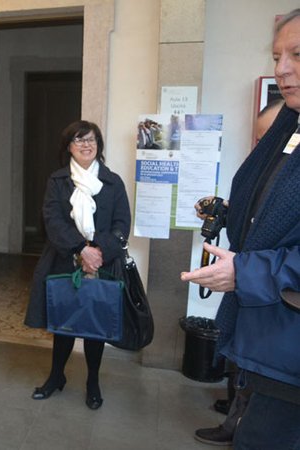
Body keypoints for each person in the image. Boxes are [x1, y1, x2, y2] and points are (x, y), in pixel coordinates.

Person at [181, 9, 300, 448]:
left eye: (297, 55)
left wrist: (245, 271)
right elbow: (277, 217)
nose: (281, 69)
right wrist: (232, 213)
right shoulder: (290, 129)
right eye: (276, 56)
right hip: (273, 341)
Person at [193, 94, 285, 447]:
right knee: (241, 361)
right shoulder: (269, 168)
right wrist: (227, 211)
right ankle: (235, 416)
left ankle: (237, 422)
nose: (262, 145)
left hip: (274, 298)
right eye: (259, 138)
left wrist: (245, 271)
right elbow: (261, 220)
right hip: (251, 288)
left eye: (268, 136)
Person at [24, 120, 131, 410]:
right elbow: (52, 221)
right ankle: (56, 376)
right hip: (64, 259)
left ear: (99, 145)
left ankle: (92, 381)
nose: (86, 145)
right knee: (64, 323)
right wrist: (81, 250)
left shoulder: (113, 182)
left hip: (102, 264)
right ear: (69, 147)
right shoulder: (57, 180)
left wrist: (97, 253)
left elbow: (122, 223)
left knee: (95, 324)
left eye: (91, 140)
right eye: (79, 140)